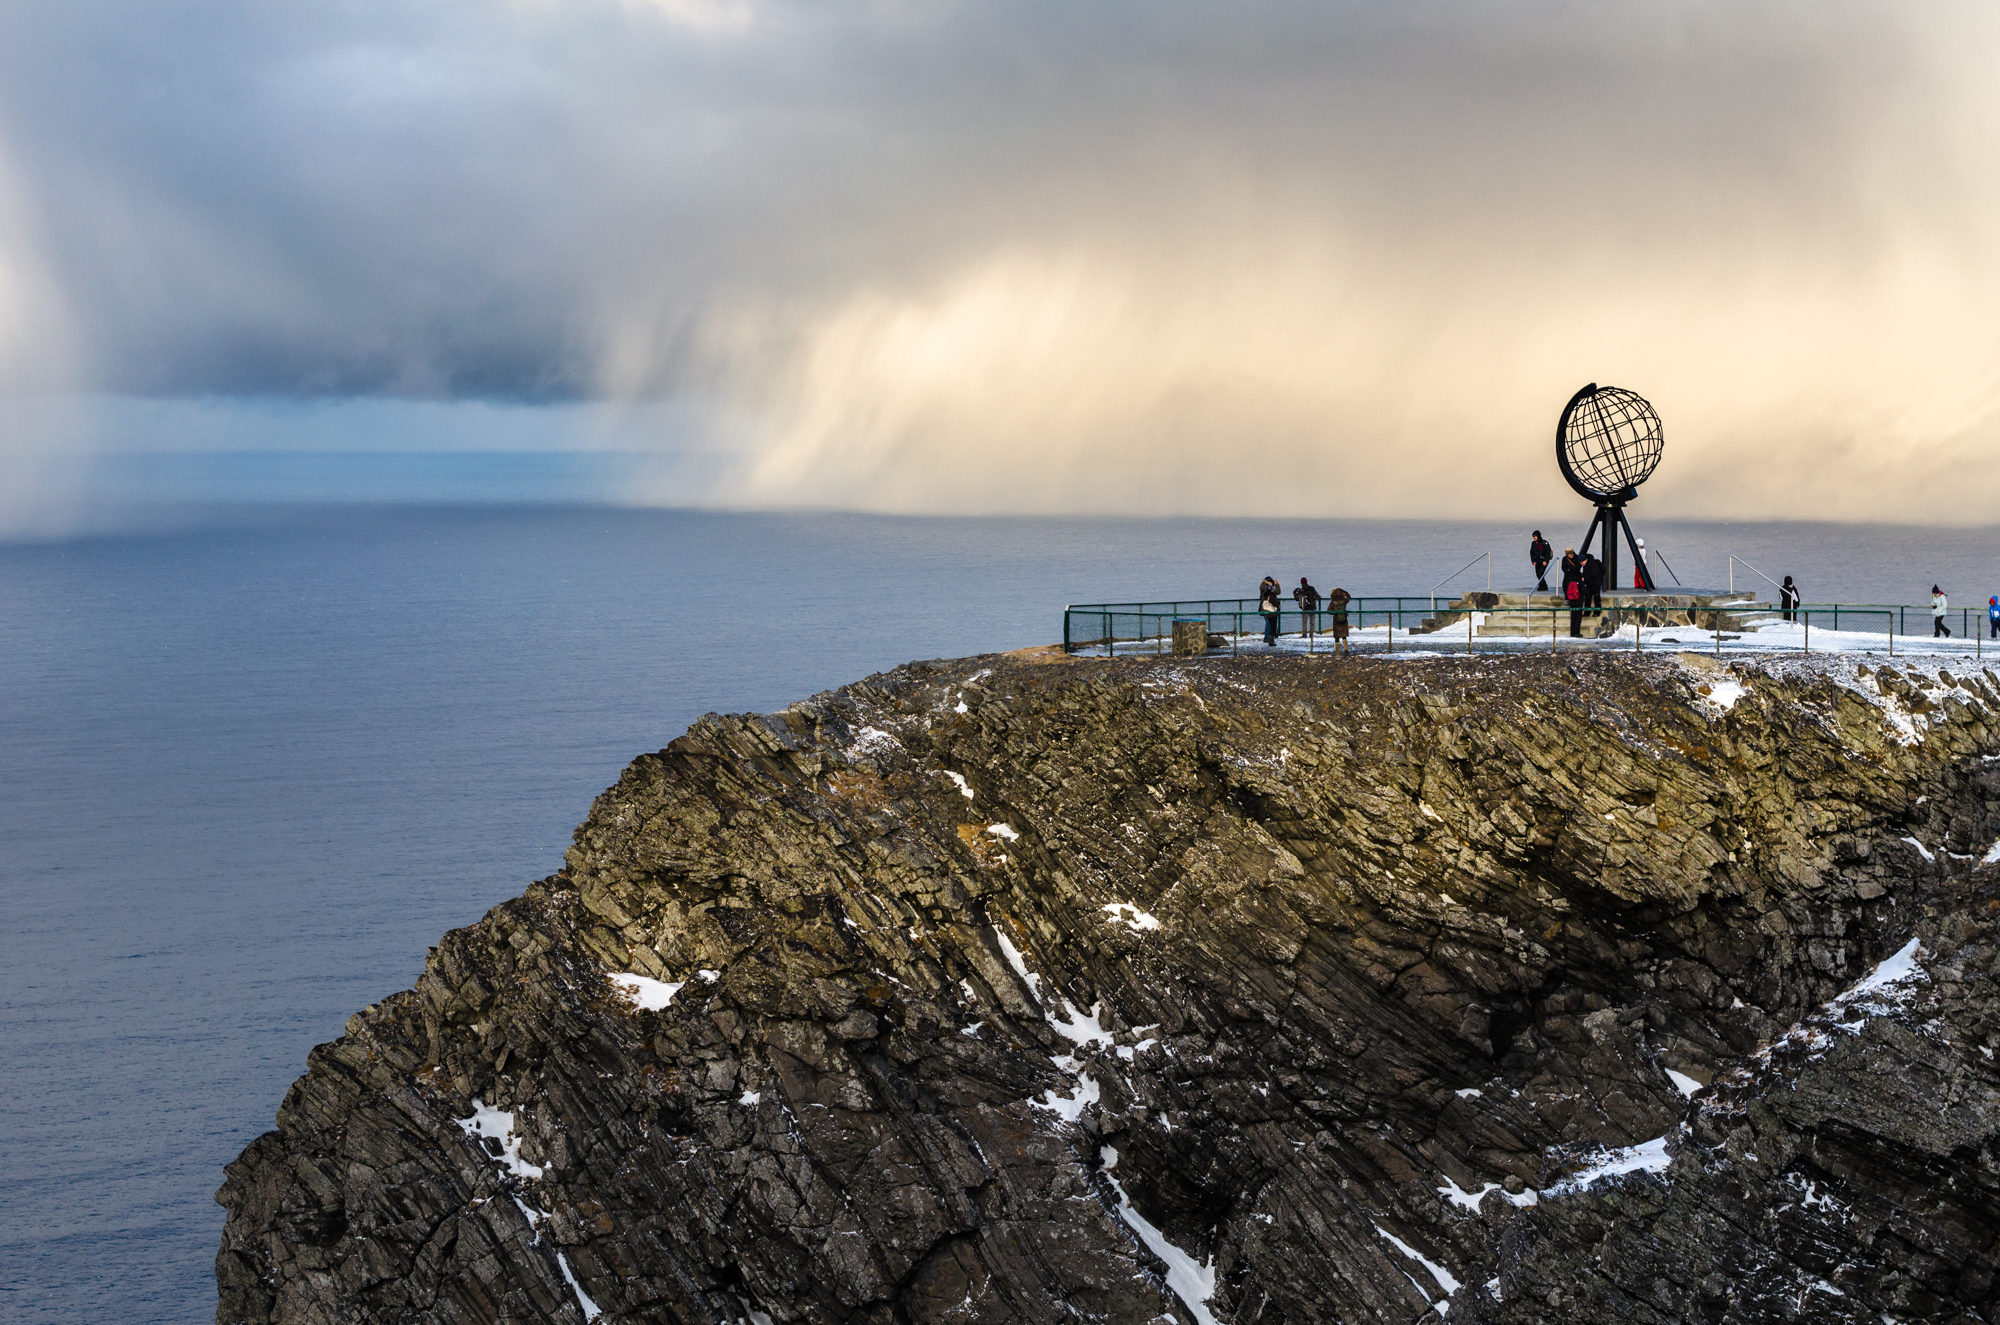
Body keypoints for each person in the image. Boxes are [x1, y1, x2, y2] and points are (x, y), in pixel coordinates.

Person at [1562, 550, 1583, 638]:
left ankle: (1572, 632)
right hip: (1578, 600)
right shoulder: (1578, 582)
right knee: (1577, 617)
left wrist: (1569, 569)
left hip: (1572, 599)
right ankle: (1576, 632)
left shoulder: (1569, 583)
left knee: (1573, 616)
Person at [1327, 586, 1352, 655]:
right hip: (1344, 620)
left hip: (1336, 621)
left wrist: (1335, 613)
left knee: (1337, 637)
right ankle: (1346, 648)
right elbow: (1349, 597)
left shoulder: (1332, 603)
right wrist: (1343, 591)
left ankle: (1338, 652)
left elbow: (1328, 611)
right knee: (1344, 635)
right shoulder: (1344, 601)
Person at [1259, 575, 1282, 646]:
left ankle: (1269, 639)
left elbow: (1278, 592)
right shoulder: (1266, 589)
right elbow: (1277, 591)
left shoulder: (1269, 589)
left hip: (1268, 609)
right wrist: (1276, 584)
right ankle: (1268, 639)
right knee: (1270, 625)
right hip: (1269, 609)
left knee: (1271, 625)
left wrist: (1275, 584)